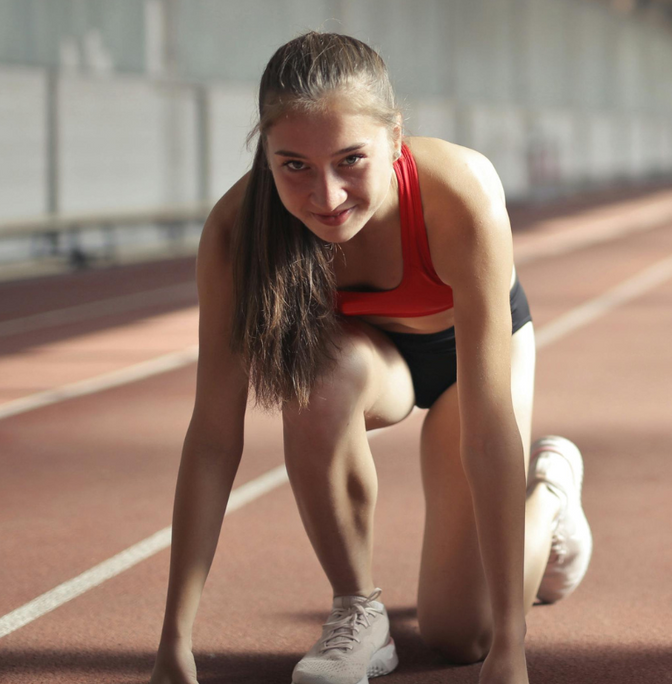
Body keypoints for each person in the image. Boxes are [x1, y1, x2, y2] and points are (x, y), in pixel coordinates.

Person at [148, 32, 592, 684]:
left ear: (394, 138)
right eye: (293, 165)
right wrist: (174, 642)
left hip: (470, 363)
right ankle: (358, 613)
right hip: (372, 360)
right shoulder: (236, 231)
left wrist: (512, 650)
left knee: (460, 634)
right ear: (264, 151)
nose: (326, 197)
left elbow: (488, 430)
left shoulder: (459, 194)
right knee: (314, 382)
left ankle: (550, 496)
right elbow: (214, 436)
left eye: (350, 160)